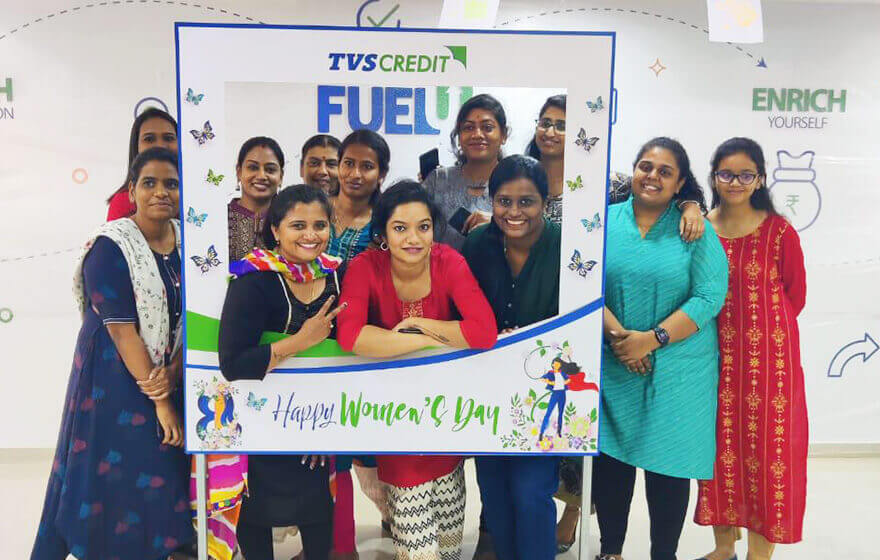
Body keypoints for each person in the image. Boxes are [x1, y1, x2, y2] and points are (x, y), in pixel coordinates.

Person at [32, 147, 191, 560]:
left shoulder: (189, 241)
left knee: (159, 469)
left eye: (171, 184)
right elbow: (121, 331)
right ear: (132, 191)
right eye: (150, 183)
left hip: (165, 369)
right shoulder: (110, 246)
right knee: (112, 471)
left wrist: (174, 372)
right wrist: (162, 401)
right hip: (111, 374)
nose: (161, 192)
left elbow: (195, 317)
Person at [337, 180, 497, 559]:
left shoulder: (448, 261)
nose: (413, 238)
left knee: (449, 545)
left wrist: (418, 326)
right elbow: (351, 336)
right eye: (400, 228)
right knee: (418, 549)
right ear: (382, 233)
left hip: (445, 421)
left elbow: (484, 332)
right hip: (397, 421)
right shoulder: (365, 267)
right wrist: (430, 340)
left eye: (423, 227)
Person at [595, 137, 728, 560]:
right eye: (645, 166)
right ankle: (611, 551)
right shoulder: (601, 221)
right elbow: (583, 283)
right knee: (612, 460)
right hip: (615, 360)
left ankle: (663, 555)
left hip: (678, 367)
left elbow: (709, 295)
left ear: (680, 183)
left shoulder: (694, 229)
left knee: (667, 465)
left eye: (664, 171)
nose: (652, 176)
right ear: (633, 171)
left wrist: (650, 340)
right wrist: (622, 340)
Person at [694, 137, 808, 560]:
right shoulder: (700, 229)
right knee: (718, 451)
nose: (735, 182)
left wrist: (763, 331)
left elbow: (796, 294)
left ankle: (760, 554)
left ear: (759, 179)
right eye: (726, 174)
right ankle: (723, 548)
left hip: (772, 365)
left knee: (769, 454)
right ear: (714, 177)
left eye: (746, 175)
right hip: (713, 359)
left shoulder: (779, 231)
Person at [218, 185, 346, 560]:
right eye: (298, 225)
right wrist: (300, 341)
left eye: (320, 225)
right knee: (256, 528)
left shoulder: (339, 276)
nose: (311, 235)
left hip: (316, 434)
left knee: (320, 532)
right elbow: (233, 363)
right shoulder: (253, 280)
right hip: (260, 435)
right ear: (275, 229)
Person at [462, 155, 561, 560]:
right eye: (504, 201)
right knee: (495, 494)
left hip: (545, 391)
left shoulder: (567, 247)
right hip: (488, 389)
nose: (514, 212)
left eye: (527, 202)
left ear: (545, 203)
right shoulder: (477, 244)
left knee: (531, 492)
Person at [423, 93, 509, 250]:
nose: (477, 134)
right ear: (459, 136)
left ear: (503, 135)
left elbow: (534, 235)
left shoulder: (516, 183)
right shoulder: (438, 180)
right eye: (468, 128)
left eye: (487, 128)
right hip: (440, 265)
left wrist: (498, 226)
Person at [327, 129, 389, 261]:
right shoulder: (316, 208)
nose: (355, 174)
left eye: (367, 166)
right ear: (339, 165)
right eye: (348, 163)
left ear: (382, 174)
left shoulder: (383, 224)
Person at [106, 107, 178, 220]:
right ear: (136, 146)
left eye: (168, 138)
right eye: (149, 139)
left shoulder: (197, 191)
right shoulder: (122, 202)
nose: (160, 145)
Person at [228, 136, 285, 262]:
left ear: (281, 176)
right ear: (239, 172)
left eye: (270, 169)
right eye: (253, 167)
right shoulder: (219, 218)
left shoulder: (289, 219)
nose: (261, 176)